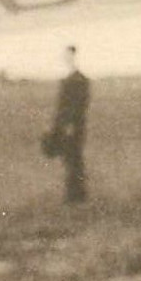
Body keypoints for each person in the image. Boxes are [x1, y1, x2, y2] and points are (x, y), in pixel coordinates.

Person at [43, 44, 91, 203]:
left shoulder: (78, 80)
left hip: (72, 127)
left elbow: (78, 106)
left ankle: (76, 196)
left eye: (69, 56)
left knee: (73, 160)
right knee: (70, 160)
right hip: (66, 126)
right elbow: (62, 107)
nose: (67, 59)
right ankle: (74, 195)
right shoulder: (70, 79)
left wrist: (70, 125)